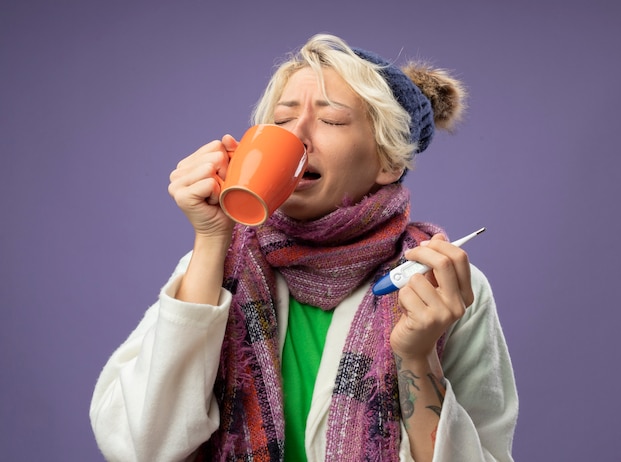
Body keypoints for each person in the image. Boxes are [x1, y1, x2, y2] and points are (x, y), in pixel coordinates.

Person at [90, 33, 518, 462]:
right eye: (281, 119)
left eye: (331, 120)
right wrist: (210, 240)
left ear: (388, 161)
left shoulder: (442, 287)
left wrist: (417, 357)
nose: (297, 137)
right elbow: (141, 447)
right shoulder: (217, 264)